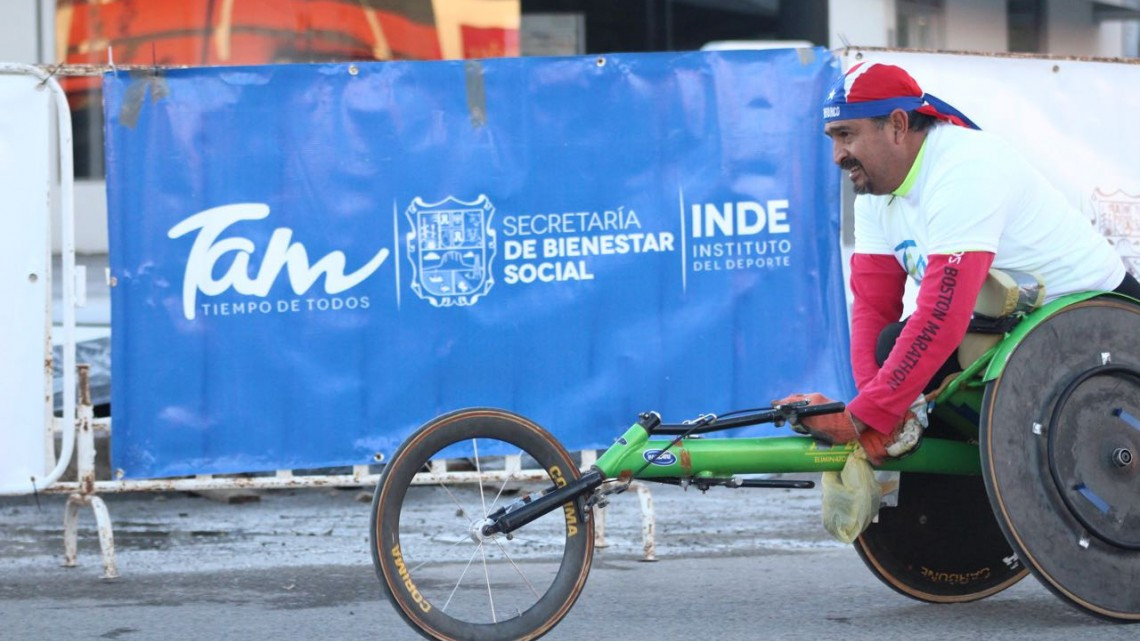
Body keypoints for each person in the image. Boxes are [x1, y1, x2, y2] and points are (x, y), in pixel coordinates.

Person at [777, 62, 1140, 465]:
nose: (837, 155)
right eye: (832, 138)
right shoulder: (874, 195)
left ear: (897, 125)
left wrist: (865, 417)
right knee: (890, 345)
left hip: (1100, 325)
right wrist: (876, 411)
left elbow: (942, 314)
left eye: (847, 135)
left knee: (912, 361)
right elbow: (872, 309)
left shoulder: (965, 167)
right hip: (1016, 330)